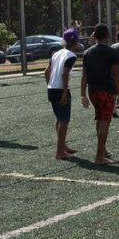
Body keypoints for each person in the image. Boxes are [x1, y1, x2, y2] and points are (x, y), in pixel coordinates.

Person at [80, 23, 119, 166]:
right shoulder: (111, 52)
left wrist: (83, 95)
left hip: (92, 91)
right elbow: (116, 74)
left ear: (94, 35)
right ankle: (99, 157)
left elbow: (84, 76)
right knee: (105, 121)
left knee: (100, 118)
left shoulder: (87, 52)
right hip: (106, 90)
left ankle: (103, 150)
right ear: (108, 35)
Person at [45, 28, 80, 160]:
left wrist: (50, 85)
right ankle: (60, 151)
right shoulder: (71, 56)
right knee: (64, 121)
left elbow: (46, 72)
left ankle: (63, 146)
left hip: (52, 89)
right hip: (61, 90)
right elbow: (65, 74)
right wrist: (65, 93)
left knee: (60, 119)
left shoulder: (56, 53)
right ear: (75, 42)